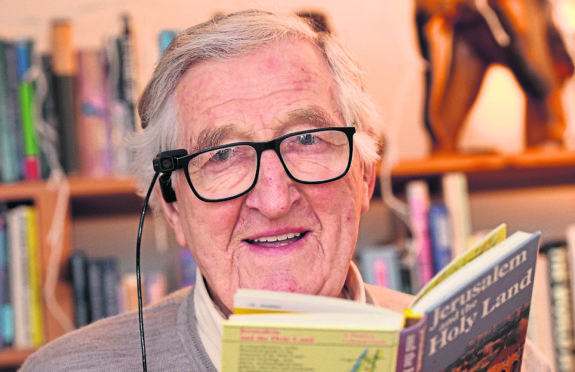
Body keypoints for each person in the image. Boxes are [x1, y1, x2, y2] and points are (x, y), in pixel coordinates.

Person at [21, 9, 549, 371]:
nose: (274, 200)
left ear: (365, 177)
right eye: (221, 154)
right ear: (173, 209)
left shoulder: (499, 357)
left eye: (307, 140)